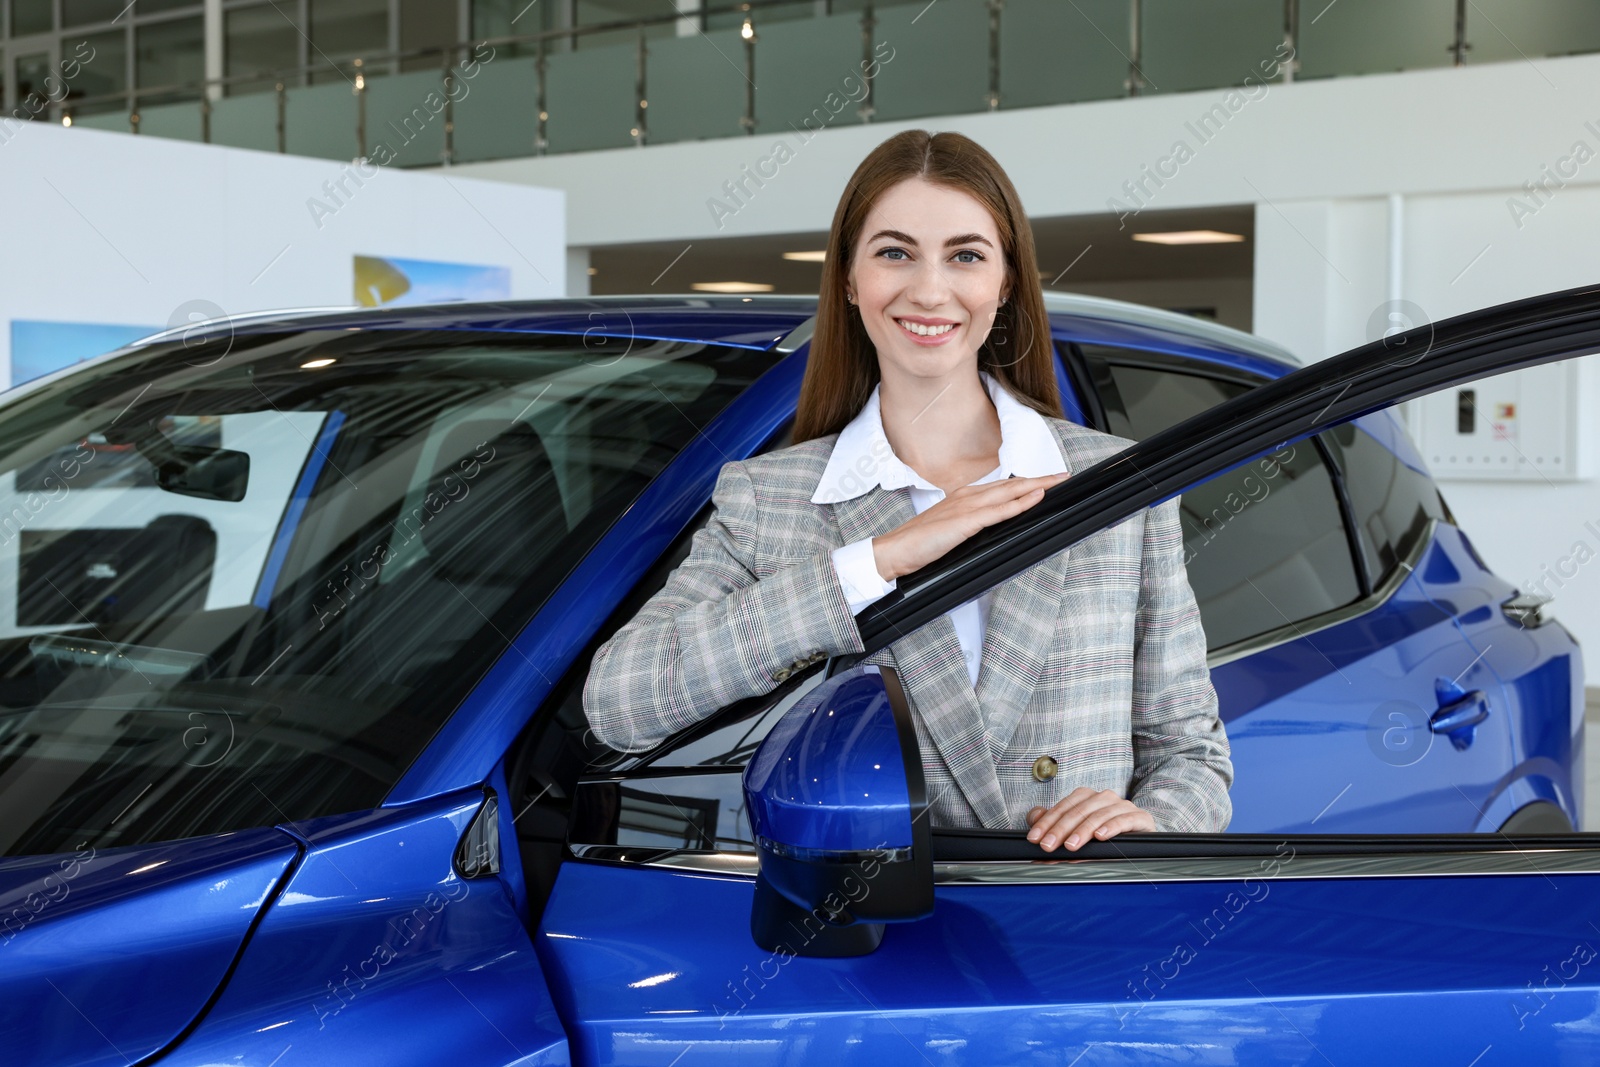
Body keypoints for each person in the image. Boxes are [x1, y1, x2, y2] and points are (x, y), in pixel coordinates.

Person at [583, 129, 1231, 851]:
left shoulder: (1120, 488)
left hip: (1071, 929)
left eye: (966, 256)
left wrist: (1155, 822)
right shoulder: (773, 499)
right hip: (867, 940)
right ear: (851, 280)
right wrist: (874, 562)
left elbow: (1192, 756)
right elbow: (621, 701)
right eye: (895, 252)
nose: (929, 289)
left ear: (1006, 281)